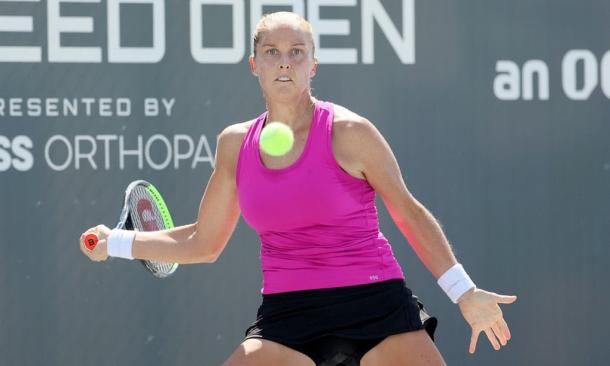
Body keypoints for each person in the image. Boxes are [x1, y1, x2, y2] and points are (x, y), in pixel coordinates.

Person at [80, 11, 517, 366]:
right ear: (255, 65)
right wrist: (115, 242)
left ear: (313, 65)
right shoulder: (234, 144)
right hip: (288, 317)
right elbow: (203, 241)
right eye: (271, 52)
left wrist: (465, 292)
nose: (284, 61)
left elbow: (408, 212)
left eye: (296, 52)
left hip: (375, 304)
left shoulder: (350, 132)